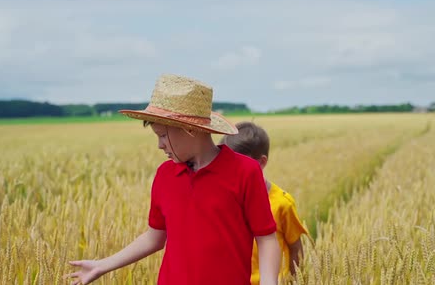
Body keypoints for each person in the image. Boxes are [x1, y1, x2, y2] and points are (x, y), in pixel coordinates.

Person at [65, 74, 281, 285]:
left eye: (162, 135)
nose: (160, 145)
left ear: (189, 130)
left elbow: (266, 237)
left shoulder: (245, 171)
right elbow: (154, 237)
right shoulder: (165, 175)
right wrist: (103, 265)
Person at [220, 121, 309, 285]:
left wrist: (294, 280)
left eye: (237, 165)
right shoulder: (224, 200)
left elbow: (296, 248)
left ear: (261, 162)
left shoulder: (282, 203)